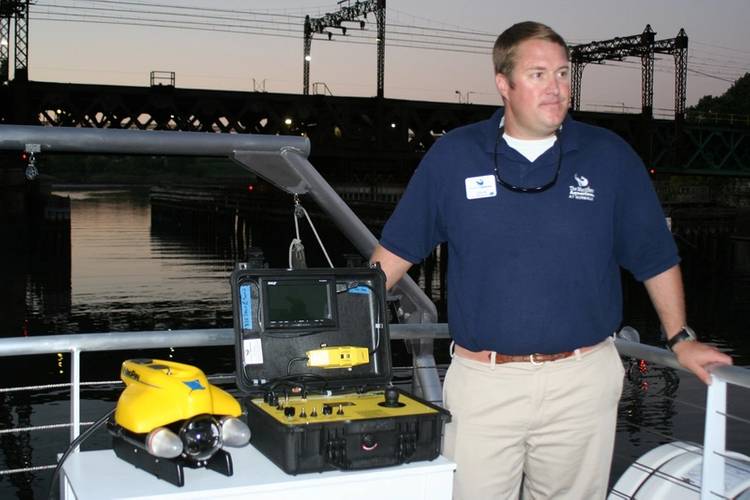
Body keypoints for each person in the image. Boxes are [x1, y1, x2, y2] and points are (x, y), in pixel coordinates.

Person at [370, 21, 732, 500]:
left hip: (583, 380)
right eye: (539, 74)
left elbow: (654, 255)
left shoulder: (609, 156)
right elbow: (392, 256)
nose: (557, 88)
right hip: (484, 383)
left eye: (563, 74)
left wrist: (680, 338)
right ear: (504, 82)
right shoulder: (454, 156)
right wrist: (339, 333)